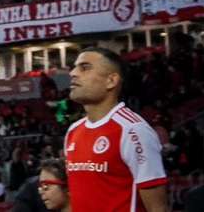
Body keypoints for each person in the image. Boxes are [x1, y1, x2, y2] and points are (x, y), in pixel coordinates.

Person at [64, 47, 168, 212]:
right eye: (74, 67)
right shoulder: (73, 131)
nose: (73, 73)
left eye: (85, 67)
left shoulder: (133, 130)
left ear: (111, 81)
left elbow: (157, 208)